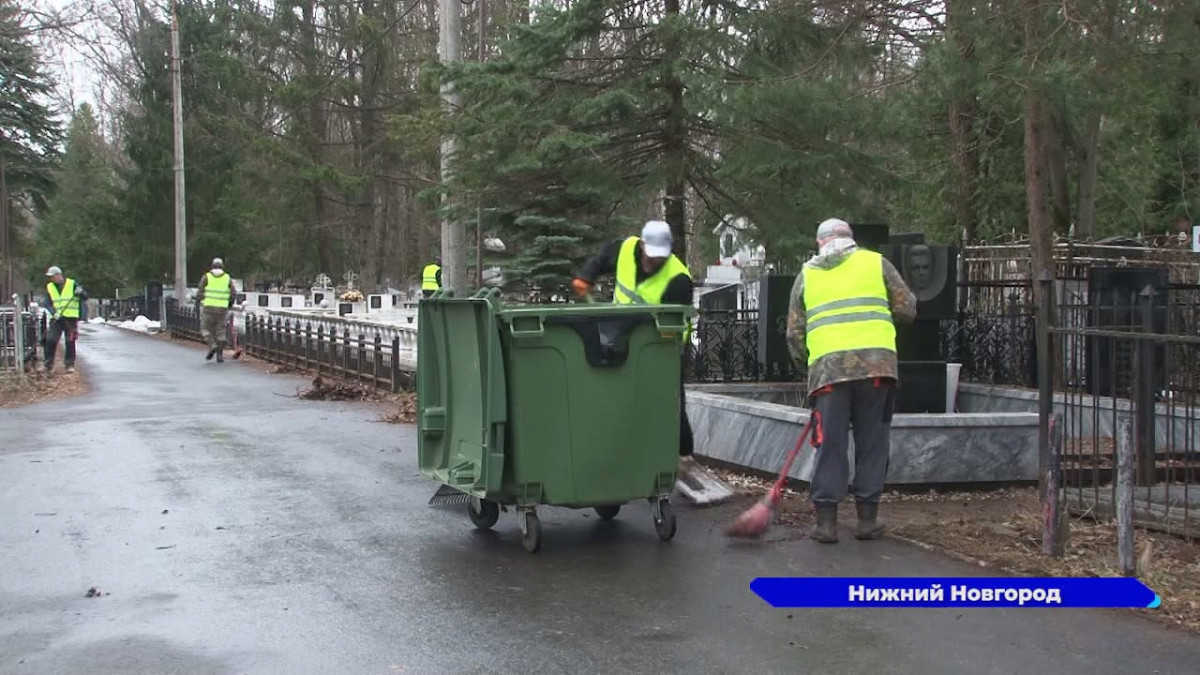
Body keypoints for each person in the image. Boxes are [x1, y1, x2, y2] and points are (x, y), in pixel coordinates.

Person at [786, 218, 916, 544]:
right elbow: (907, 309)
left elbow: (794, 334)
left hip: (828, 373)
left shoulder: (807, 275)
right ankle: (867, 520)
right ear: (851, 239)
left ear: (820, 243)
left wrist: (810, 363)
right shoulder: (876, 263)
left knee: (830, 445)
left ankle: (826, 523)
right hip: (876, 369)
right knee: (873, 443)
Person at [571, 220, 697, 473]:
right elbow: (600, 259)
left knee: (670, 399)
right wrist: (586, 277)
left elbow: (670, 325)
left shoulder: (678, 279)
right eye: (651, 257)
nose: (655, 262)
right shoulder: (626, 249)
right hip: (618, 331)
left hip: (663, 344)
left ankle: (684, 454)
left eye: (661, 258)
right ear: (642, 245)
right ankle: (624, 448)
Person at [42, 265, 88, 373]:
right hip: (57, 318)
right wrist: (53, 312)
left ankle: (69, 365)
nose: (51, 279)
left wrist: (80, 292)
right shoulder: (50, 287)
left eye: (53, 276)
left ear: (59, 275)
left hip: (70, 319)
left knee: (70, 341)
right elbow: (47, 303)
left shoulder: (72, 284)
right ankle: (48, 365)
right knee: (51, 340)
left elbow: (85, 297)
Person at [196, 257, 236, 363]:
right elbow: (233, 293)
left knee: (205, 329)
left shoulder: (207, 277)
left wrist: (199, 301)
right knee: (221, 332)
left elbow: (200, 291)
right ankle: (219, 355)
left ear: (212, 266)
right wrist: (229, 304)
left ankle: (212, 345)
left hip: (208, 307)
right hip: (222, 309)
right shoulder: (227, 278)